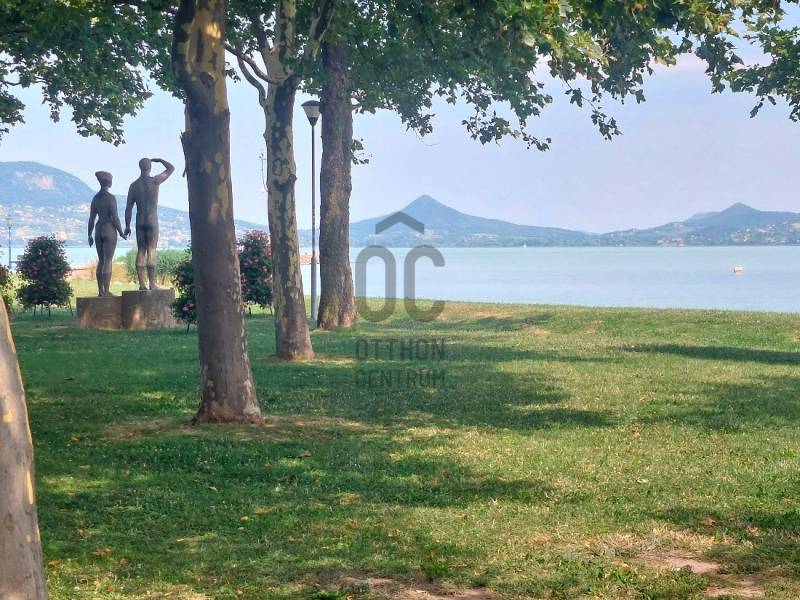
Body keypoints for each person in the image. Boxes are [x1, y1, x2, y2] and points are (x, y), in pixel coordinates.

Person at [124, 157, 175, 290]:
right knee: (151, 250)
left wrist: (127, 225)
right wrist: (161, 160)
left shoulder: (134, 186)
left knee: (141, 250)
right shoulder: (155, 180)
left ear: (140, 167)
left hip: (139, 220)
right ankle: (152, 283)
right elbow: (171, 168)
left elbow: (128, 208)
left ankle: (142, 284)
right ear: (150, 167)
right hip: (152, 219)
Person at [88, 171, 126, 297]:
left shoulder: (95, 198)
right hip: (109, 229)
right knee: (108, 260)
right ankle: (106, 291)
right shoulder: (110, 198)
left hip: (98, 230)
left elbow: (92, 218)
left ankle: (101, 290)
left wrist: (89, 235)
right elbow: (115, 217)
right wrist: (121, 232)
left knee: (101, 260)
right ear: (109, 182)